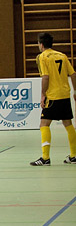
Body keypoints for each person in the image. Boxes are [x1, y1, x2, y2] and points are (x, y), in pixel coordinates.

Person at [30, 32, 76, 166]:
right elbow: (73, 74)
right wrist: (75, 91)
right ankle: (74, 155)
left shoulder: (42, 57)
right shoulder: (62, 56)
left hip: (53, 96)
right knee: (68, 124)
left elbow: (45, 77)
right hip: (65, 95)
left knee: (44, 124)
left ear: (41, 44)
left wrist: (43, 95)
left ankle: (45, 158)